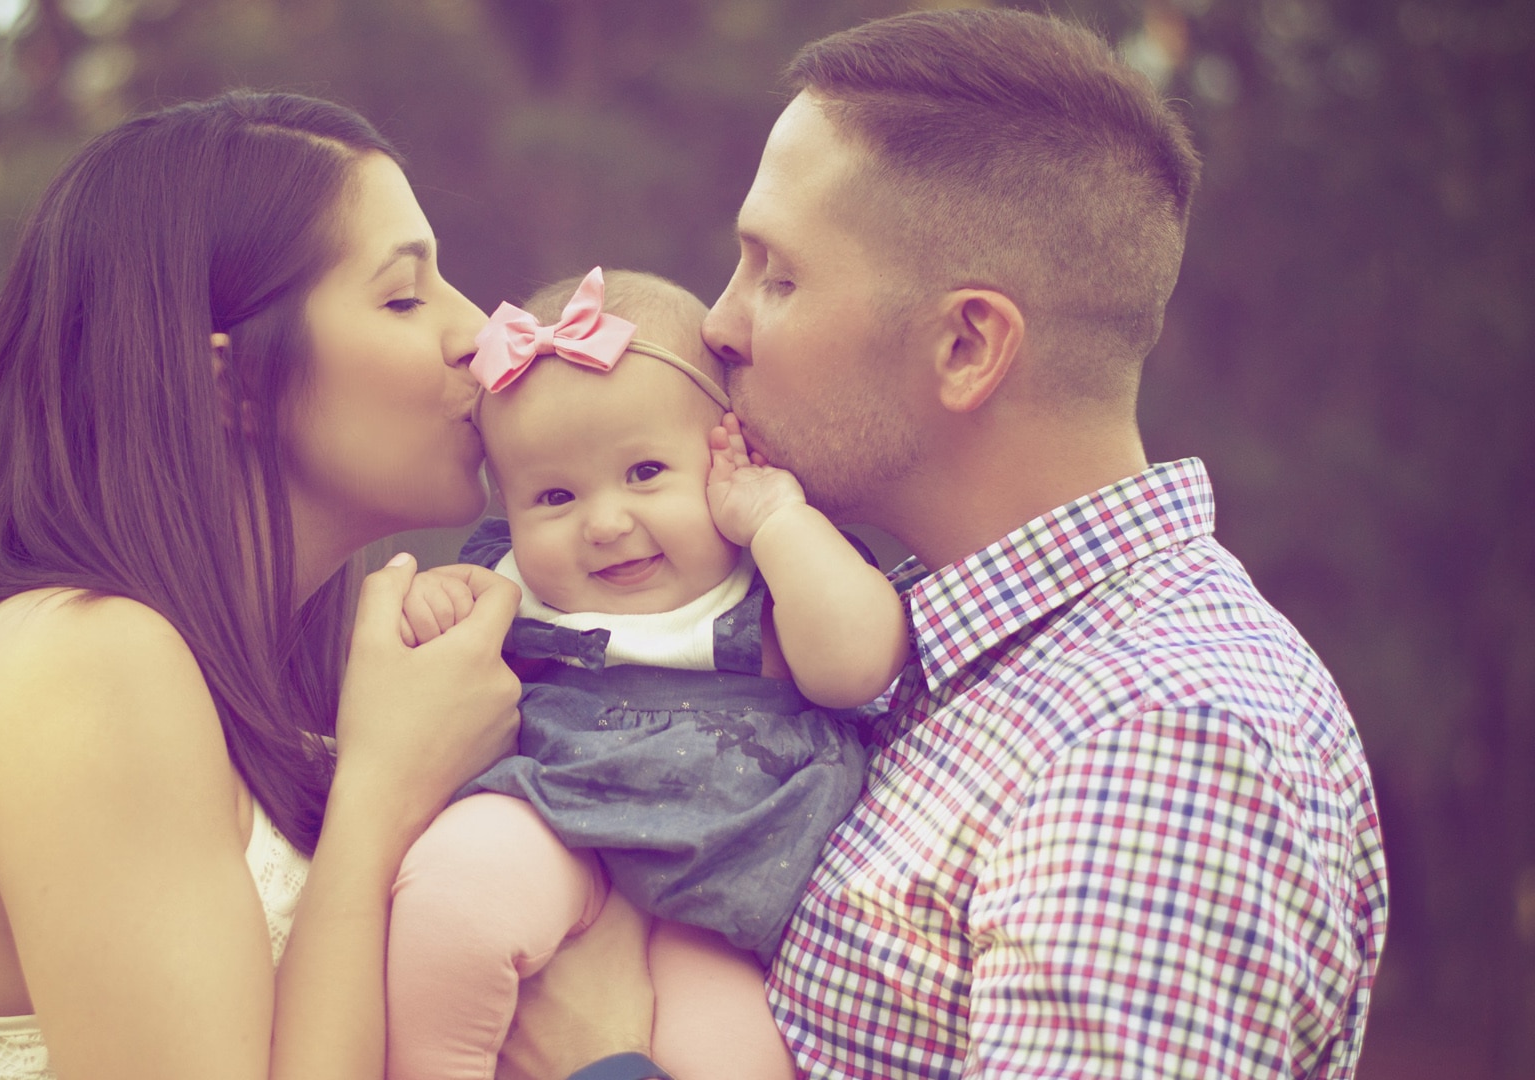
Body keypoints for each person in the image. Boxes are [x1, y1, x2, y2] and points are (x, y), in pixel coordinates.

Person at [516, 9, 1389, 1080]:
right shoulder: (905, 637)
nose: (719, 326)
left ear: (968, 345)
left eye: (777, 276)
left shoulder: (1161, 741)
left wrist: (600, 1059)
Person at [0, 90, 527, 1080]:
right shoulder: (83, 664)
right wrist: (383, 791)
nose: (479, 332)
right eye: (403, 296)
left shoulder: (265, 690)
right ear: (234, 384)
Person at [383, 268, 906, 1080]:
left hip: (723, 896)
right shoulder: (510, 584)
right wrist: (438, 608)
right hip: (555, 819)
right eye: (554, 495)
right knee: (452, 899)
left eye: (645, 474)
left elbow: (859, 666)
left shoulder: (770, 573)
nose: (605, 522)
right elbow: (434, 676)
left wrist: (774, 516)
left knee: (736, 1060)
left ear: (729, 452)